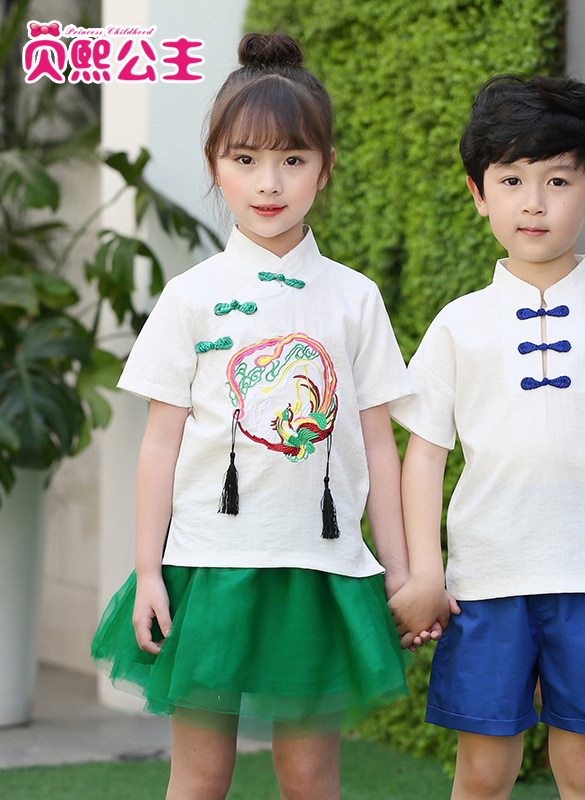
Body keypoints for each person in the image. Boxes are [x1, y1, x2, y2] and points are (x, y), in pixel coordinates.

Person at [92, 32, 412, 800]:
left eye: (293, 159)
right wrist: (148, 571)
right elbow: (159, 444)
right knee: (201, 778)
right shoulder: (191, 296)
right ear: (215, 166)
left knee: (310, 778)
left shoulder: (355, 297)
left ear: (325, 168)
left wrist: (402, 570)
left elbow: (379, 442)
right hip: (210, 570)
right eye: (245, 159)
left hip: (319, 571)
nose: (269, 183)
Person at [388, 74, 585, 800]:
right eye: (511, 180)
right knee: (482, 772)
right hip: (484, 586)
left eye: (558, 180)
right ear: (479, 193)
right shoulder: (457, 324)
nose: (533, 202)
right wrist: (426, 573)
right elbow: (424, 457)